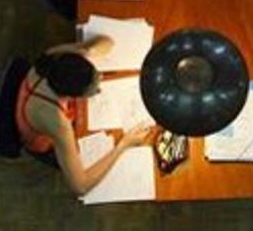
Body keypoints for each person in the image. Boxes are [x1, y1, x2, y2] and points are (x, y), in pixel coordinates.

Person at [16, 38, 158, 194]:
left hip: (37, 100)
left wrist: (88, 51)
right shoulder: (57, 123)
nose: (100, 82)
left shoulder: (54, 58)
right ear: (70, 97)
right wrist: (123, 145)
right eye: (93, 91)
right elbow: (80, 186)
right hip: (42, 140)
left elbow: (108, 42)